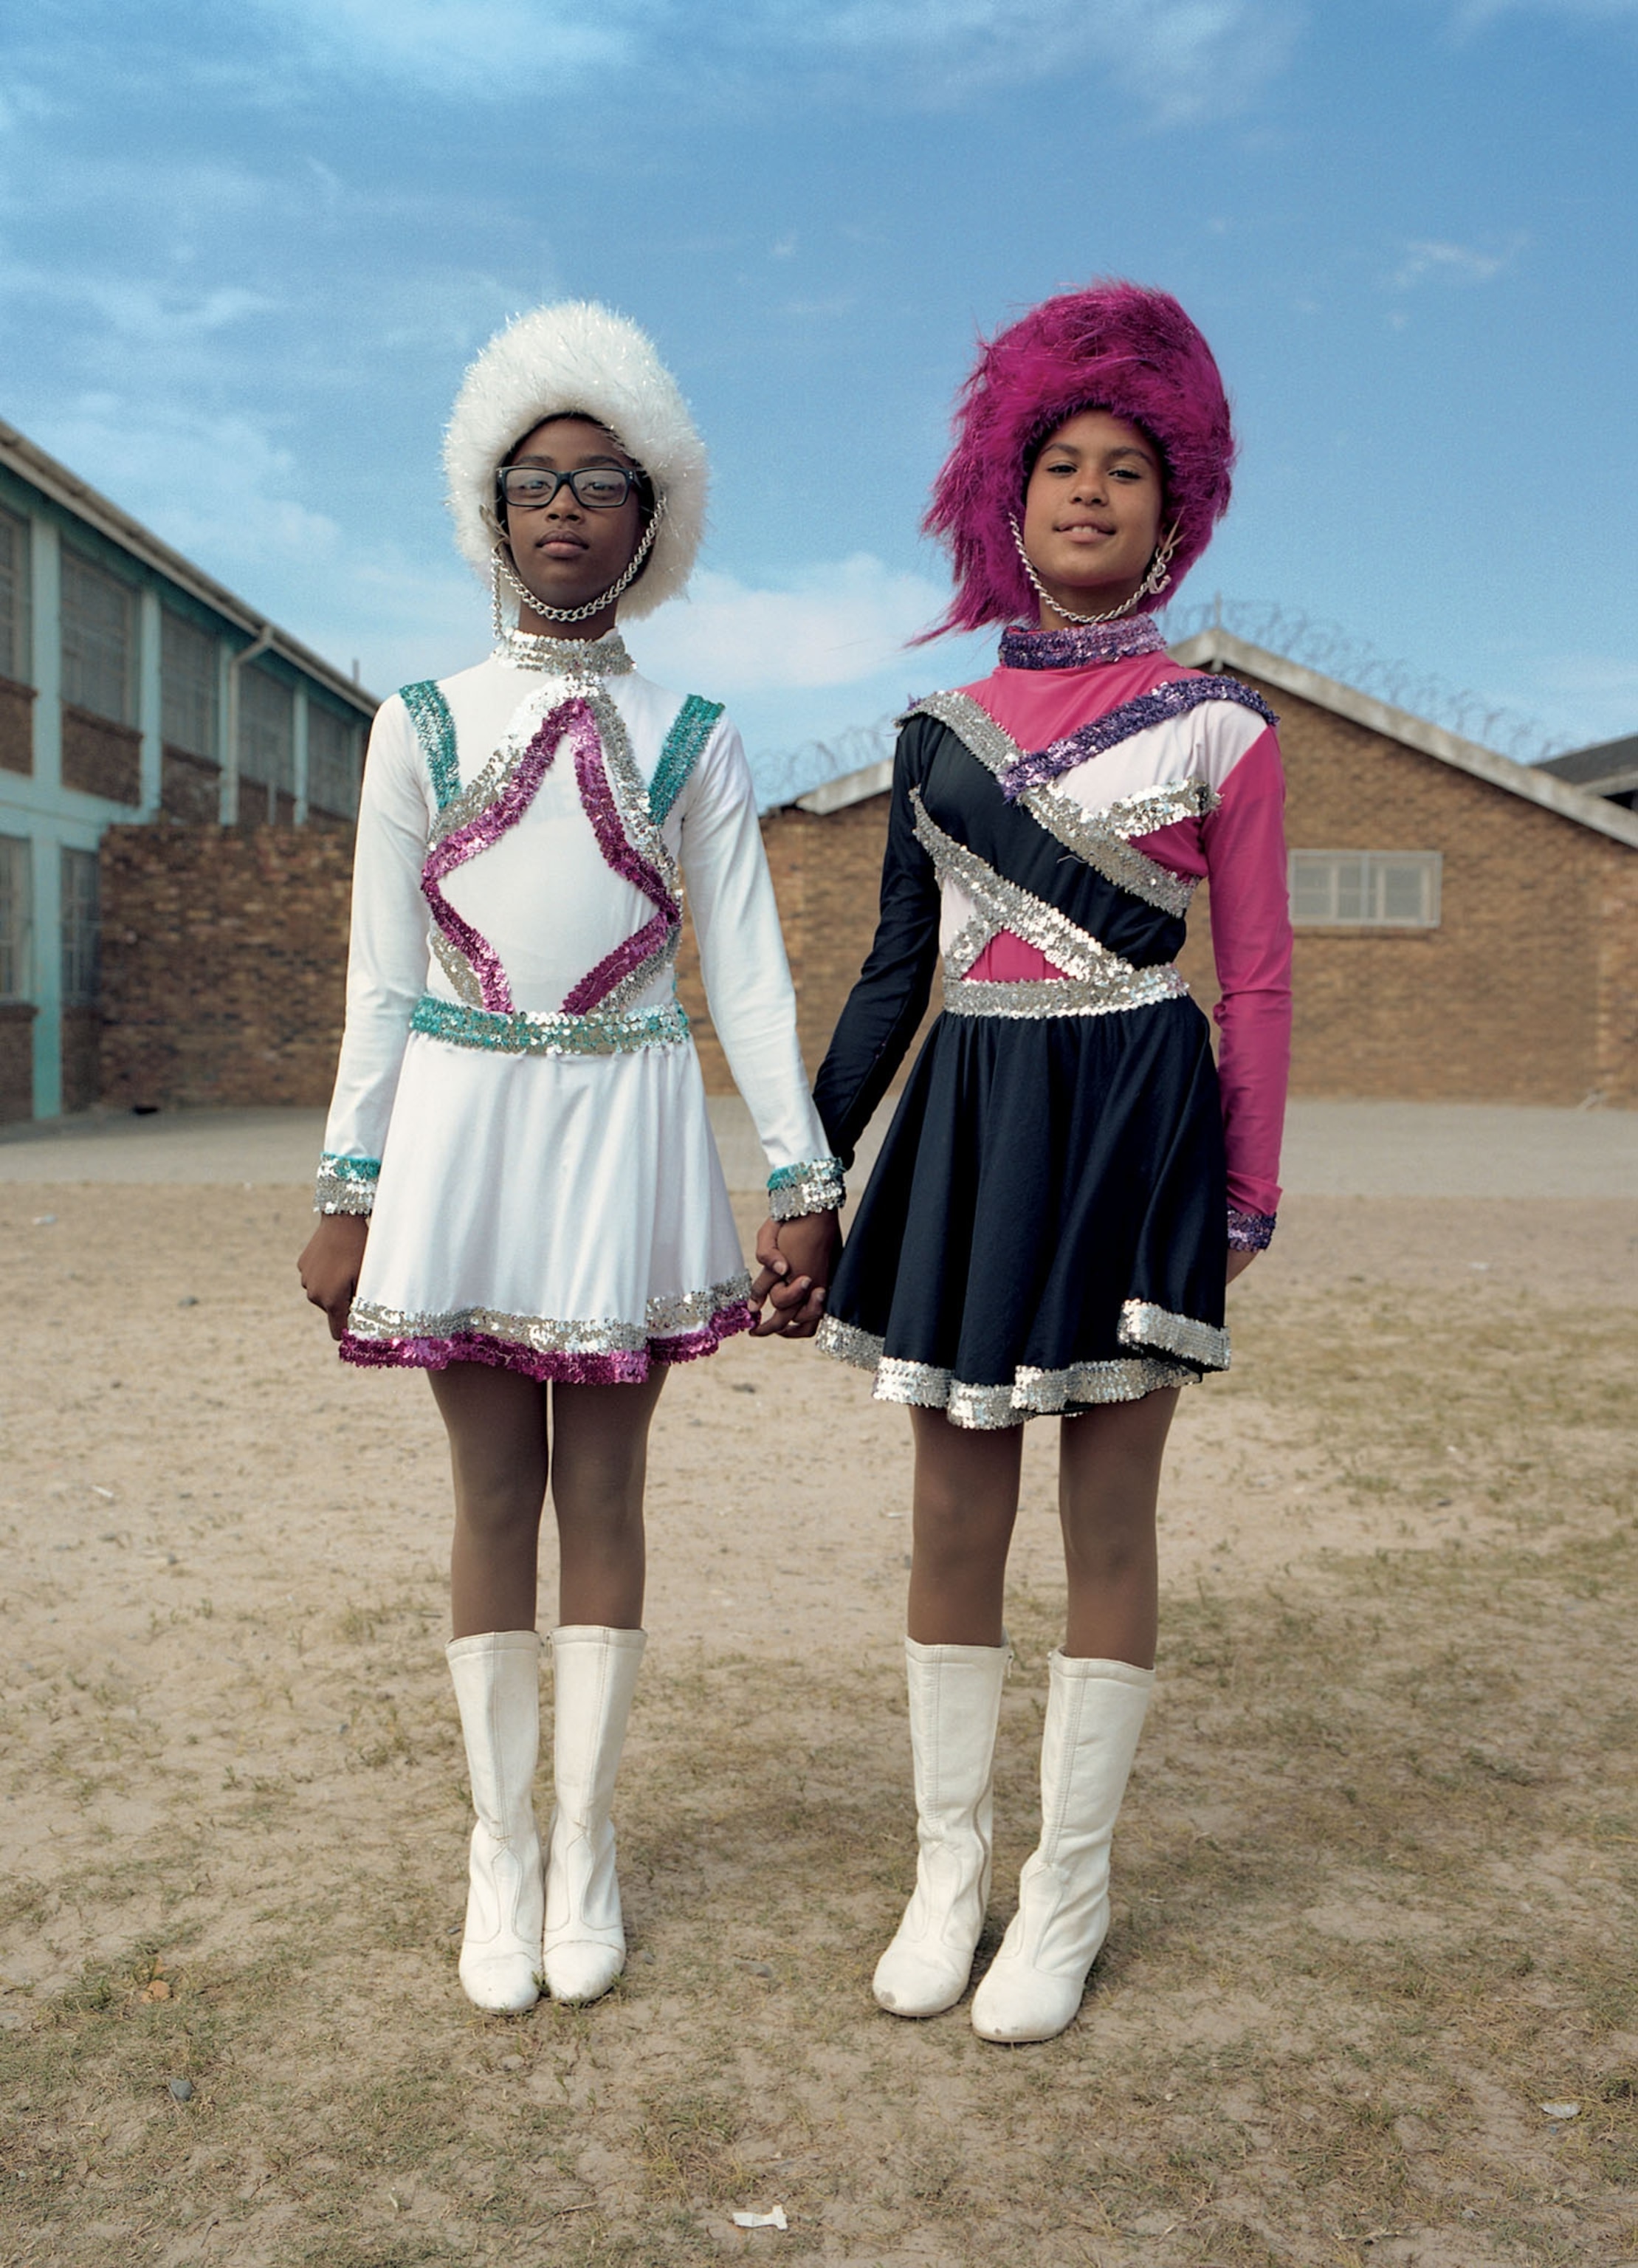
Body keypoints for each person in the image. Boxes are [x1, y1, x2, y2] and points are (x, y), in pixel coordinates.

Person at [760, 281, 1291, 2043]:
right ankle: (946, 1875)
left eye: (1125, 467)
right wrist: (807, 1169)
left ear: (1175, 504)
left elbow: (1266, 974)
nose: (1089, 490)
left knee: (1111, 1513)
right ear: (1009, 495)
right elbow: (892, 975)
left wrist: (1247, 1185)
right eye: (1060, 462)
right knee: (950, 1508)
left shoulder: (1226, 725)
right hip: (972, 1123)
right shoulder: (937, 737)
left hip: (1139, 1112)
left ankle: (1066, 1896)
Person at [298, 301, 843, 2015]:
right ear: (491, 510)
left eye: (603, 482)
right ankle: (500, 1850)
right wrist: (345, 1182)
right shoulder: (421, 723)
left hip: (627, 1125)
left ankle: (588, 1840)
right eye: (535, 482)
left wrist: (801, 1176)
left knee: (605, 1491)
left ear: (651, 518)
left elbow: (746, 971)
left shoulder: (698, 738)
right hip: (462, 1129)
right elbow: (384, 975)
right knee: (487, 1493)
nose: (566, 509)